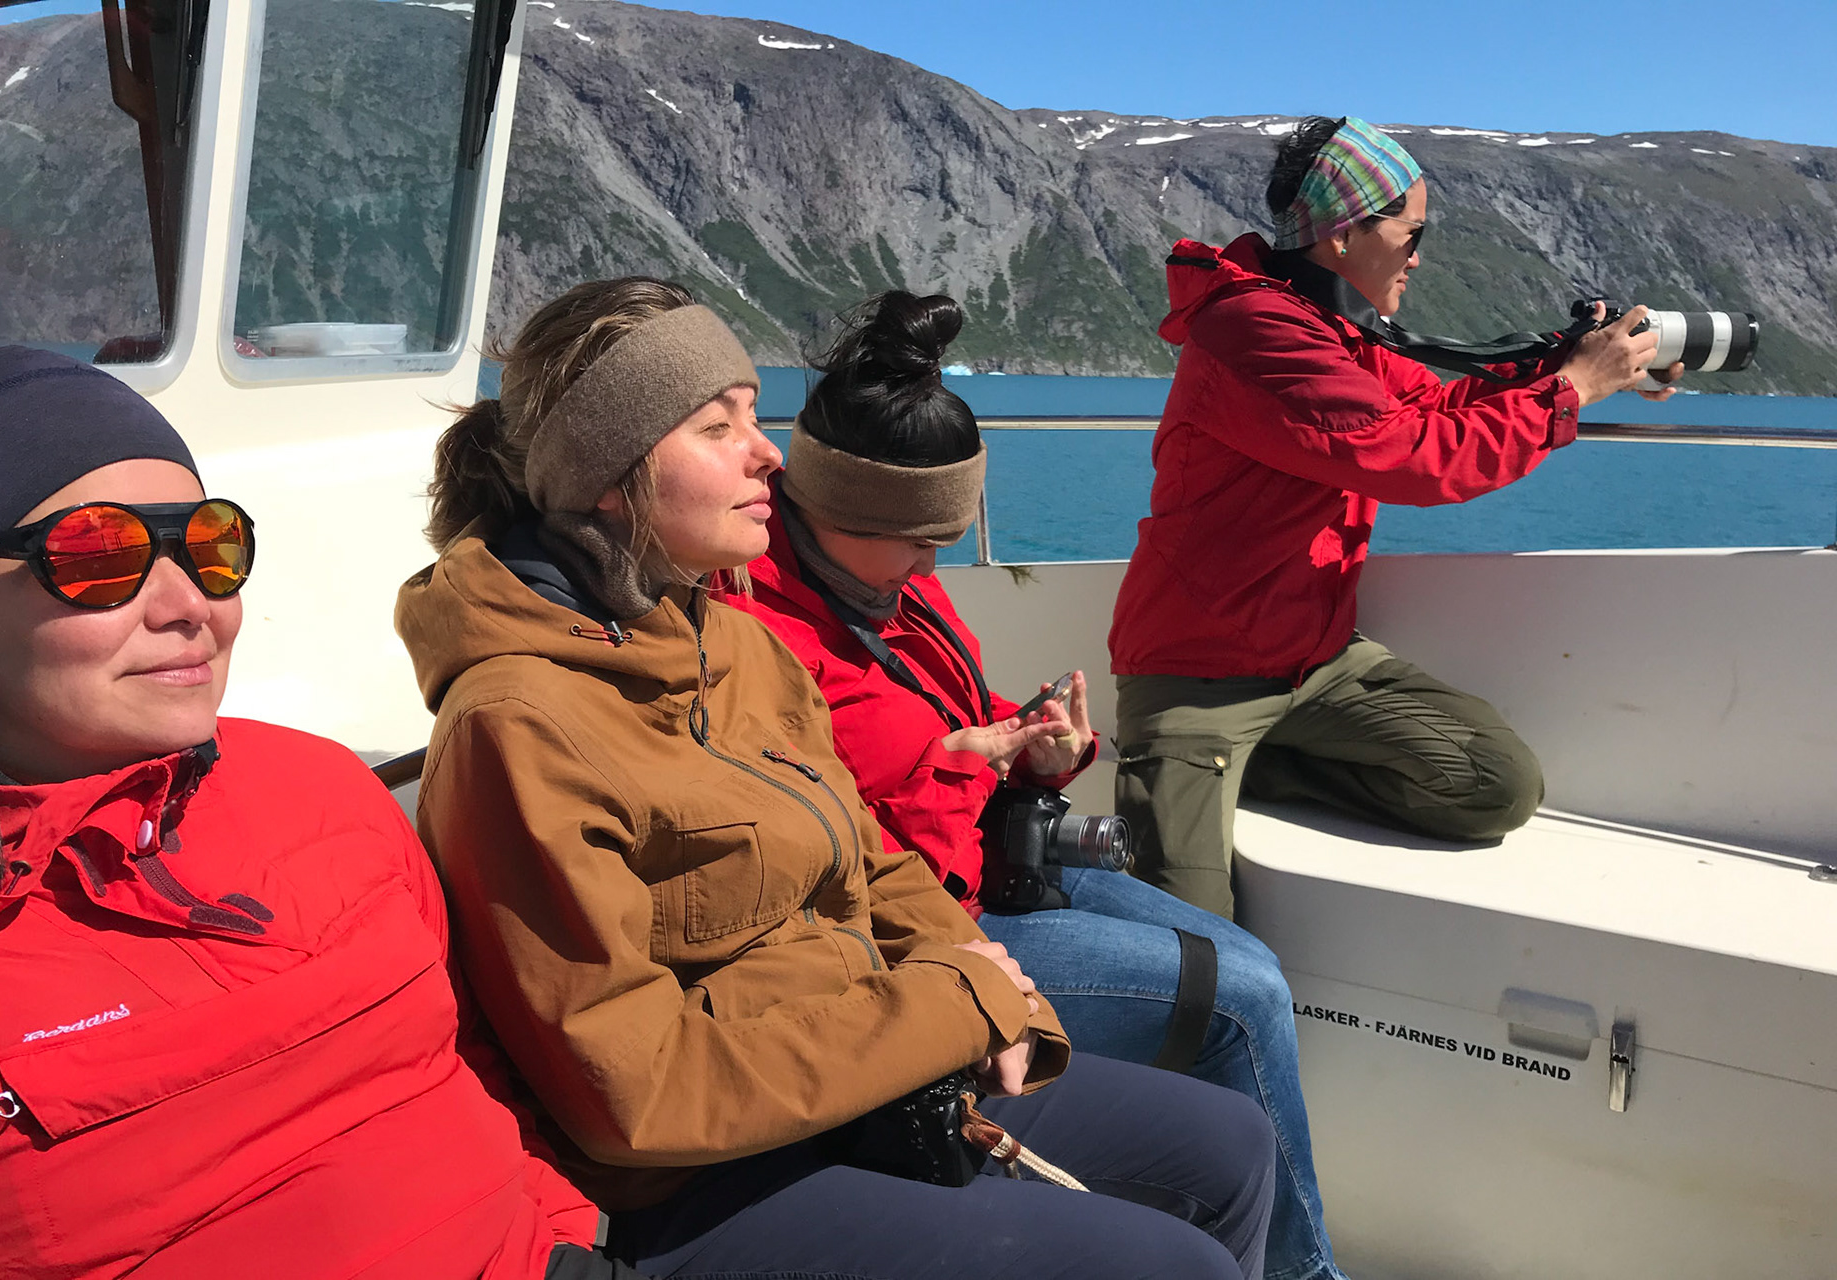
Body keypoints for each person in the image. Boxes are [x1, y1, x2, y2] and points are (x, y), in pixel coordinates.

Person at [394, 277, 1278, 1280]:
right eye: (717, 425)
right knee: (1169, 1263)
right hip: (710, 1175)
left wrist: (1002, 992)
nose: (767, 450)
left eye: (751, 416)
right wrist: (953, 1003)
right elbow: (631, 1090)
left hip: (872, 1063)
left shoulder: (727, 643)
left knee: (1232, 1149)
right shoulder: (520, 724)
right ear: (610, 473)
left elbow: (875, 857)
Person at [0, 343, 614, 1280]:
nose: (191, 605)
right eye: (98, 552)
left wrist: (566, 1234)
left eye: (210, 546)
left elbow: (464, 1061)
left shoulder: (322, 787)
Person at [718, 288, 1351, 1280]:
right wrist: (961, 764)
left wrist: (1042, 744)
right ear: (836, 507)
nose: (935, 562)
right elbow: (848, 857)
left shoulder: (889, 584)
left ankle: (1209, 1217)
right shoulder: (761, 635)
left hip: (988, 861)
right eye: (921, 538)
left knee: (1247, 960)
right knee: (1245, 997)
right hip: (923, 927)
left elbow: (947, 715)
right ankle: (1295, 1267)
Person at [1109, 116, 1683, 918]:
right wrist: (1570, 392)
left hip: (1315, 663)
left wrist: (1573, 364)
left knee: (1496, 785)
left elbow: (1441, 401)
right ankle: (1211, 763)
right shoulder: (1256, 331)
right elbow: (1411, 457)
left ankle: (1260, 761)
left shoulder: (1330, 330)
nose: (1421, 254)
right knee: (1190, 943)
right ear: (1345, 236)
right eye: (1413, 234)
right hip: (1197, 677)